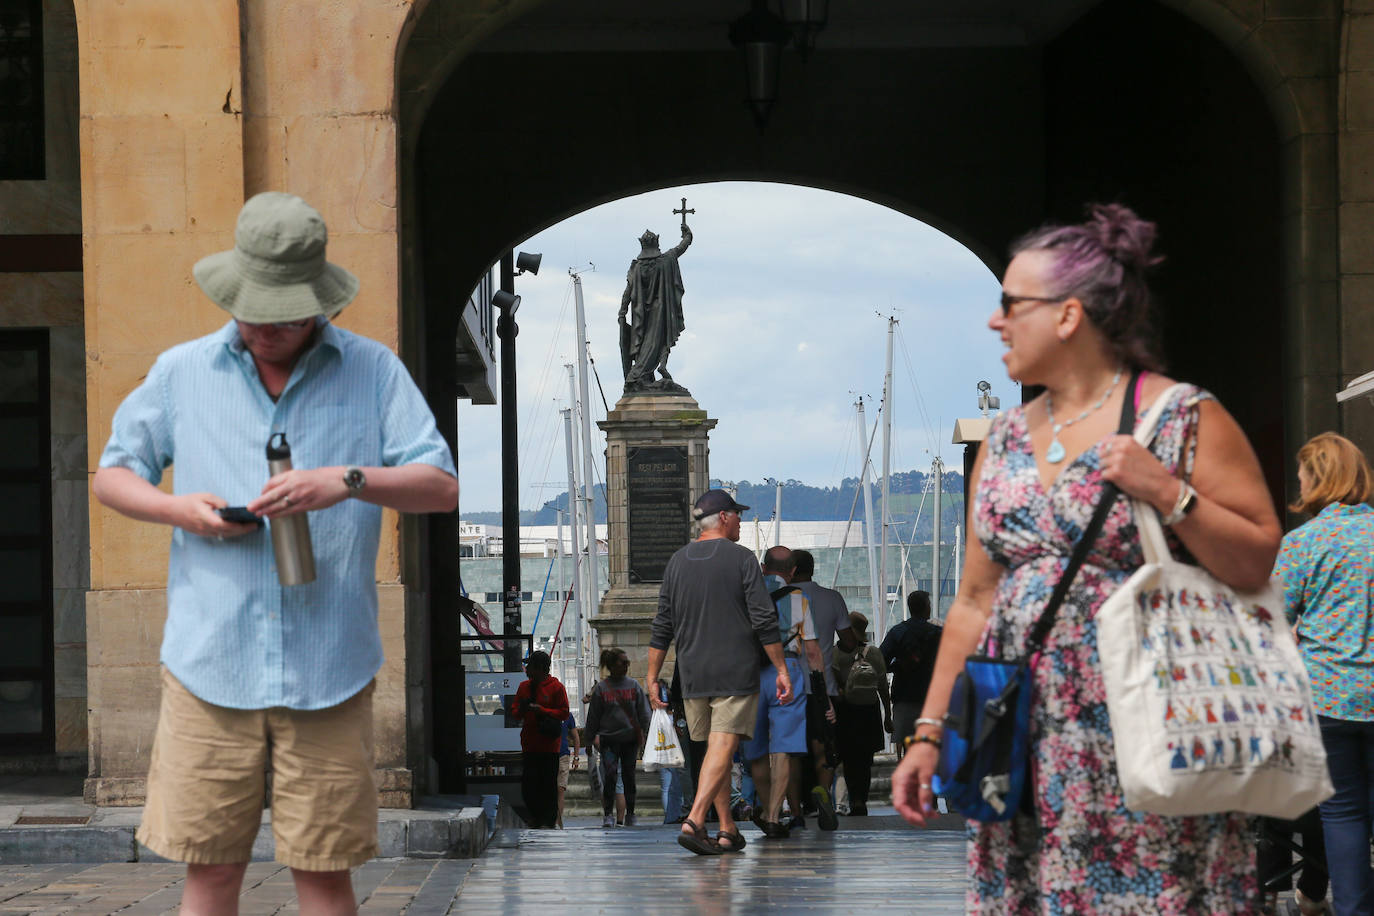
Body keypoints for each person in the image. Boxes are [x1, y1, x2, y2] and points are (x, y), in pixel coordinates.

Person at [891, 203, 1283, 914]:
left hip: (1147, 728)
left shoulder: (1180, 415)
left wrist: (1168, 491)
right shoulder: (1005, 438)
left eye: (1011, 304)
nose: (994, 320)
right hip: (1016, 738)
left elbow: (1257, 557)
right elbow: (975, 600)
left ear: (1068, 316)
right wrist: (928, 732)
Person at [90, 192, 458, 915]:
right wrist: (179, 510)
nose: (265, 328)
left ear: (319, 303)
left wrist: (346, 481)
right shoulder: (182, 371)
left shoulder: (373, 372)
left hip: (330, 668)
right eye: (253, 311)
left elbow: (439, 486)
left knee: (324, 876)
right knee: (212, 873)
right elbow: (110, 475)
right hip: (209, 666)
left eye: (285, 314)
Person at [646, 488, 793, 856]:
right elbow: (764, 619)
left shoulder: (677, 562)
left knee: (716, 751)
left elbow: (662, 625)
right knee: (723, 745)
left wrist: (651, 677)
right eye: (738, 514)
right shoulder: (742, 559)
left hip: (693, 674)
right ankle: (695, 820)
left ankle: (727, 828)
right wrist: (780, 668)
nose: (741, 520)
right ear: (724, 517)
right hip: (734, 670)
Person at [1274, 432, 1374, 916]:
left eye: (1302, 477)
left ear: (1317, 478)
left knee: (1343, 813)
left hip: (1327, 699)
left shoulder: (1303, 543)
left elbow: (1271, 616)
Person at [743, 546, 836, 836]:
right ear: (793, 572)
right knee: (783, 748)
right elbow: (812, 652)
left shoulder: (747, 595)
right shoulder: (798, 599)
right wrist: (822, 694)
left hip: (750, 675)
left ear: (762, 567)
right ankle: (772, 815)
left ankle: (765, 804)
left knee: (755, 749)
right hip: (788, 672)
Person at [789, 549, 857, 820]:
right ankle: (823, 794)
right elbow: (850, 642)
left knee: (791, 752)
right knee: (824, 749)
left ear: (791, 570)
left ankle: (795, 810)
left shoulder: (782, 599)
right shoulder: (832, 598)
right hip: (823, 686)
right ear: (813, 569)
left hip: (790, 686)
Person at [619, 222, 692, 393]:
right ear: (656, 244)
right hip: (660, 311)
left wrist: (622, 311)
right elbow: (679, 249)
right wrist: (688, 236)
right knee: (656, 342)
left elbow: (628, 291)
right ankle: (638, 375)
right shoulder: (664, 261)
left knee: (644, 344)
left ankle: (644, 374)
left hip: (640, 317)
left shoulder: (637, 267)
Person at [832, 612, 892, 816]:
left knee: (848, 759)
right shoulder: (873, 652)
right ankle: (860, 800)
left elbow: (831, 687)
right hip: (869, 710)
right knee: (865, 760)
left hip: (846, 711)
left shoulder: (834, 654)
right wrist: (888, 716)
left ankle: (853, 799)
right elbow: (883, 687)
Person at [585, 647, 651, 828]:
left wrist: (647, 734)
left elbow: (644, 713)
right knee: (611, 777)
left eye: (627, 662)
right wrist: (589, 740)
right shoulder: (602, 689)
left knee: (629, 777)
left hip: (629, 740)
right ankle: (608, 814)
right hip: (609, 741)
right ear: (612, 665)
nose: (626, 665)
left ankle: (630, 813)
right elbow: (594, 716)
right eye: (623, 662)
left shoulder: (633, 686)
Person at [510, 651, 570, 830]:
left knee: (548, 785)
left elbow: (564, 712)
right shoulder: (523, 688)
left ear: (541, 668)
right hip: (529, 744)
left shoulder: (556, 688)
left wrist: (542, 711)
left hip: (549, 746)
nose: (527, 670)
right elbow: (514, 713)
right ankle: (535, 817)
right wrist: (522, 708)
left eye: (531, 666)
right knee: (529, 785)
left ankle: (548, 820)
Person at [880, 590, 943, 752]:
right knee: (931, 749)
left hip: (904, 697)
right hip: (932, 699)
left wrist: (898, 666)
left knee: (908, 750)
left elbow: (880, 662)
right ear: (926, 608)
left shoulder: (898, 632)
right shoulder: (938, 634)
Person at [555, 711, 580, 830]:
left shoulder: (567, 715)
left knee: (559, 790)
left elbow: (576, 737)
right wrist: (576, 758)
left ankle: (557, 821)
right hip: (556, 754)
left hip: (560, 755)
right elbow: (575, 737)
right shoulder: (566, 715)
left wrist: (576, 757)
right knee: (558, 791)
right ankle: (556, 822)